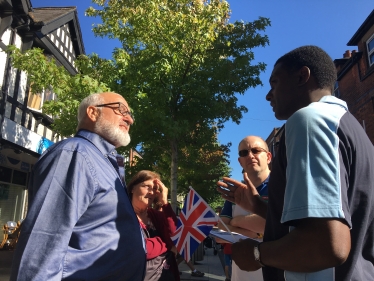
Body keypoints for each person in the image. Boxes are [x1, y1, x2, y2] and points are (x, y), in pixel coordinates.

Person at [217, 46, 374, 281]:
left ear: (302, 76)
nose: (268, 95)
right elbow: (329, 223)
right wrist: (259, 206)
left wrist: (256, 253)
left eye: (275, 83)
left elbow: (327, 245)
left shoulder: (310, 120)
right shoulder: (353, 130)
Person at [10, 92, 146, 280]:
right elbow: (43, 242)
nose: (129, 119)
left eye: (130, 114)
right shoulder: (75, 154)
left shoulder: (104, 162)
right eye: (120, 110)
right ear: (93, 112)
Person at [218, 135, 271, 281]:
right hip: (240, 275)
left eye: (256, 150)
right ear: (240, 162)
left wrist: (236, 222)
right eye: (244, 153)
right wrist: (254, 234)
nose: (250, 155)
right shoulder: (237, 193)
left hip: (272, 273)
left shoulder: (282, 186)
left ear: (268, 157)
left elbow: (273, 224)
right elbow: (220, 233)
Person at [127, 170, 180, 281]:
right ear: (132, 188)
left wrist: (165, 203)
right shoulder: (123, 215)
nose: (151, 192)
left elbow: (177, 238)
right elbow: (139, 250)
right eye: (147, 186)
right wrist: (167, 245)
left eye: (155, 189)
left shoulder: (156, 215)